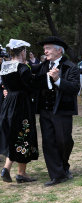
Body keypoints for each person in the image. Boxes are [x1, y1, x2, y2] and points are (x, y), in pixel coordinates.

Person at [32, 36, 79, 186]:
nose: (45, 51)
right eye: (44, 48)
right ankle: (57, 174)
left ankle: (64, 166)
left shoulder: (70, 67)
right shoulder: (42, 66)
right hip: (45, 110)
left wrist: (58, 80)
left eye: (48, 48)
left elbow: (74, 88)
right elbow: (28, 76)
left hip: (62, 110)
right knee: (48, 142)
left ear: (59, 50)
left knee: (64, 141)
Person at [0, 39, 39, 183]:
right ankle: (20, 173)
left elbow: (4, 84)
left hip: (9, 101)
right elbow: (30, 87)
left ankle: (10, 169)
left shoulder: (5, 66)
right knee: (24, 133)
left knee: (14, 133)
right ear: (22, 51)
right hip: (21, 103)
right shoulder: (22, 68)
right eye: (25, 51)